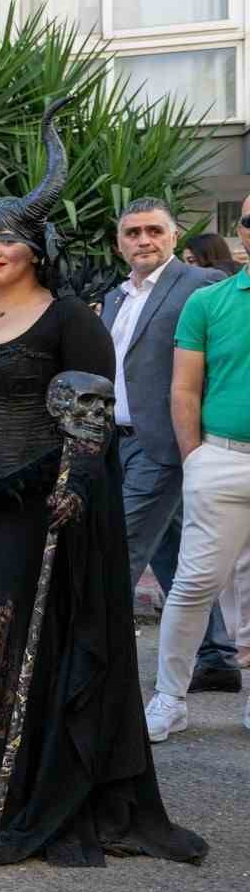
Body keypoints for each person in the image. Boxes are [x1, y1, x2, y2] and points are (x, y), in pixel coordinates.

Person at [0, 99, 206, 867]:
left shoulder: (69, 317)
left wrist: (76, 480)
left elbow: (91, 415)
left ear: (35, 245)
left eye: (6, 237)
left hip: (42, 507)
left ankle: (34, 786)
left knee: (22, 641)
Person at [101, 199, 238, 695]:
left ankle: (98, 669)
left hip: (166, 443)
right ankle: (216, 656)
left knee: (117, 550)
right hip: (117, 441)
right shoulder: (115, 297)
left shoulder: (201, 284)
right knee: (175, 553)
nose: (144, 240)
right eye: (133, 232)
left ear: (174, 236)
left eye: (154, 231)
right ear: (119, 243)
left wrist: (198, 442)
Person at [145, 200, 250, 741]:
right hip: (221, 459)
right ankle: (169, 698)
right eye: (248, 221)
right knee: (193, 584)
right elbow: (183, 388)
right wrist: (195, 458)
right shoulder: (209, 302)